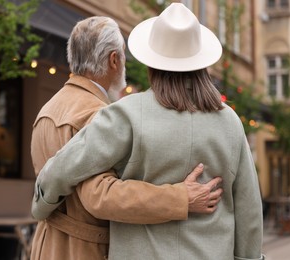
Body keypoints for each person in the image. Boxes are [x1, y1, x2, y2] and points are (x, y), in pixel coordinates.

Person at [30, 15, 224, 260]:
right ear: (114, 60)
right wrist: (180, 197)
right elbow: (101, 196)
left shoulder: (47, 109)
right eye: (122, 55)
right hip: (86, 251)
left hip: (46, 246)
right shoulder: (99, 115)